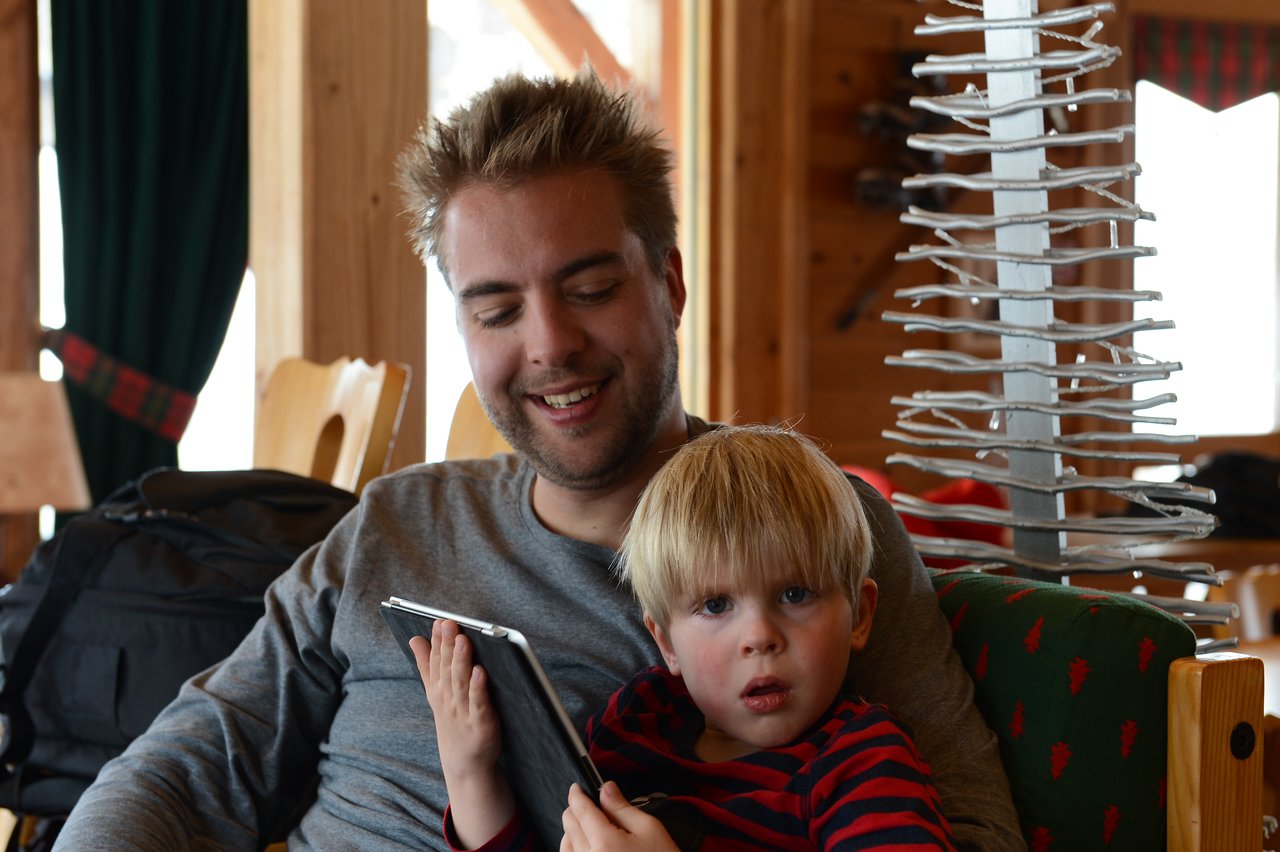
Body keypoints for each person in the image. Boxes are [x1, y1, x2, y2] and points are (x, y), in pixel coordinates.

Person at [53, 69, 1023, 850]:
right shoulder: (396, 524)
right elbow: (191, 768)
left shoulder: (807, 541)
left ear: (669, 283)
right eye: (496, 310)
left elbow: (972, 833)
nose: (548, 344)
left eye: (590, 286)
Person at [420, 424, 956, 850]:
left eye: (795, 595)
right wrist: (470, 772)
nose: (759, 637)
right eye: (716, 605)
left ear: (858, 616)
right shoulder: (639, 720)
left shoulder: (858, 763)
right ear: (666, 642)